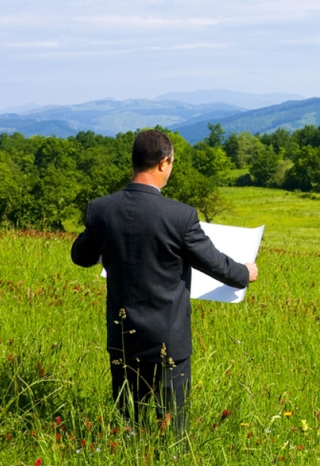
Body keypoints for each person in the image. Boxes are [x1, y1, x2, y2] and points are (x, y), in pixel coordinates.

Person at [71, 129, 258, 433]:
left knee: (127, 421)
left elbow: (81, 256)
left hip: (122, 337)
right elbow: (213, 262)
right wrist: (243, 273)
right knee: (172, 427)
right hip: (168, 341)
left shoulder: (101, 210)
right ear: (162, 163)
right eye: (171, 163)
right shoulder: (180, 216)